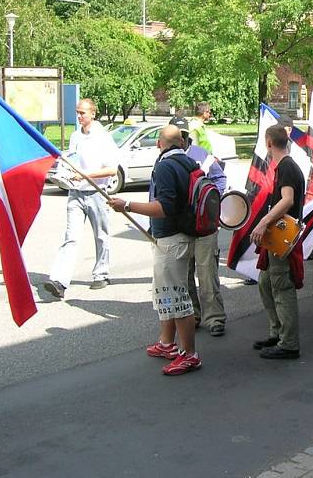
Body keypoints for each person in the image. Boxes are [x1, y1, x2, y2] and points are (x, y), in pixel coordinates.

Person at [108, 125, 201, 375]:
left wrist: (126, 204)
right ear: (180, 143)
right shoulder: (189, 162)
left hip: (171, 239)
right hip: (179, 236)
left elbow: (164, 207)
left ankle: (189, 354)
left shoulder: (164, 166)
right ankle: (167, 343)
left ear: (160, 143)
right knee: (166, 293)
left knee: (177, 296)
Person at [44, 99, 119, 299]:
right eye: (77, 112)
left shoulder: (103, 138)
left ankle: (101, 274)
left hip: (97, 192)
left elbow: (112, 169)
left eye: (82, 113)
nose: (79, 116)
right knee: (71, 237)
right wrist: (65, 170)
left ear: (92, 114)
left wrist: (86, 175)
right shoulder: (76, 136)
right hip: (76, 193)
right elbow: (73, 159)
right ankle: (59, 280)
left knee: (101, 236)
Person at [249, 125, 305, 359]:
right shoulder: (285, 166)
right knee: (265, 283)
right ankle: (278, 332)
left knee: (282, 287)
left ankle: (289, 343)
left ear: (268, 143)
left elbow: (287, 200)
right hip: (278, 235)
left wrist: (263, 222)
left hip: (283, 235)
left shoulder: (287, 167)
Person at [170, 117, 228, 337]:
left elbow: (220, 180)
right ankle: (192, 315)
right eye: (178, 134)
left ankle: (214, 318)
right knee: (184, 275)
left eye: (184, 134)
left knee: (207, 274)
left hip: (204, 226)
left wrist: (209, 203)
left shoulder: (201, 155)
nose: (182, 138)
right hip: (180, 227)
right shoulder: (166, 159)